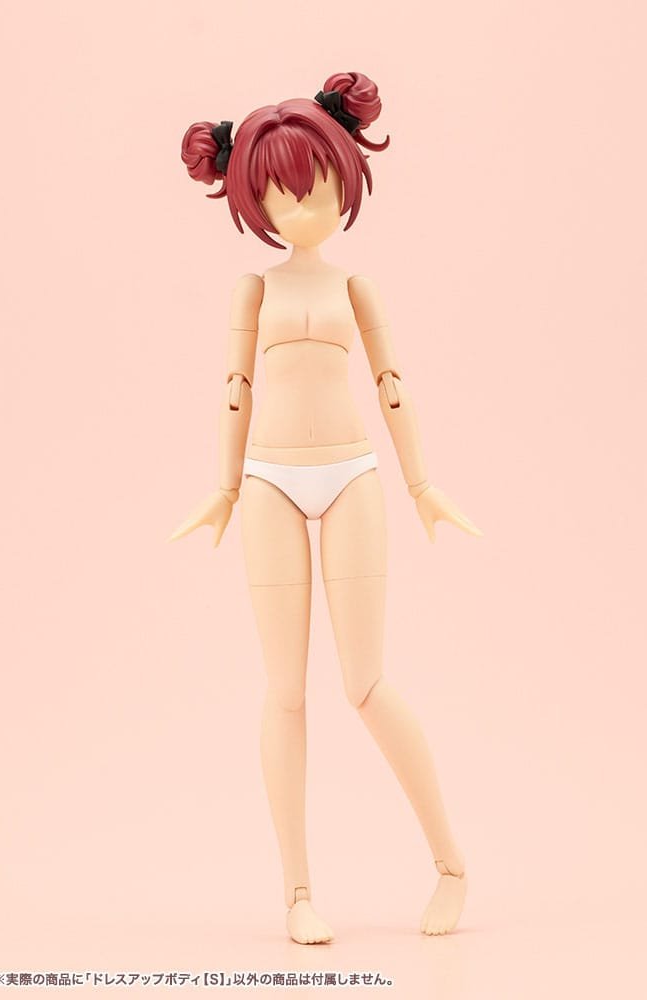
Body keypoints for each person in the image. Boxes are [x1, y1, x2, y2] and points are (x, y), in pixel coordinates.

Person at [171, 71, 482, 945]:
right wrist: (223, 487)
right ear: (252, 199)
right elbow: (234, 388)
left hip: (351, 475)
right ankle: (297, 892)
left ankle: (452, 866)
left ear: (344, 177)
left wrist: (421, 484)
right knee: (284, 692)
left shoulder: (354, 288)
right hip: (269, 481)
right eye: (280, 194)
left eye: (314, 187)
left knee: (365, 683)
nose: (301, 206)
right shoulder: (254, 291)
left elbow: (392, 385)